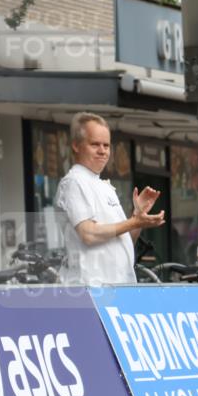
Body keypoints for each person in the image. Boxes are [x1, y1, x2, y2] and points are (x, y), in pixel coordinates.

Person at [55, 112, 164, 285]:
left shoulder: (103, 185)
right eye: (95, 144)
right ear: (76, 146)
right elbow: (88, 233)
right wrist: (134, 222)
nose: (102, 151)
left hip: (116, 288)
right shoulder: (74, 181)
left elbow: (125, 240)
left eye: (106, 145)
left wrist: (137, 216)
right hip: (90, 289)